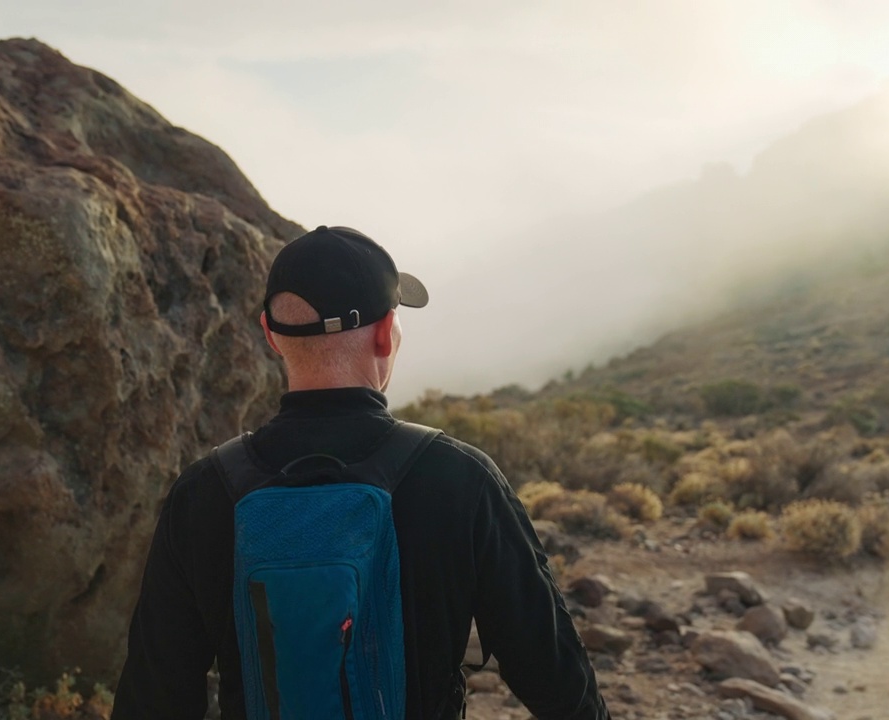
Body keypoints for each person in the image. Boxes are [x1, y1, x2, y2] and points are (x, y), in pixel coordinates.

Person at [111, 226, 608, 719]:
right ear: (384, 332)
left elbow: (153, 696)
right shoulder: (460, 479)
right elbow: (557, 679)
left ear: (270, 335)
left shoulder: (205, 492)